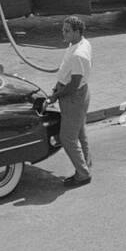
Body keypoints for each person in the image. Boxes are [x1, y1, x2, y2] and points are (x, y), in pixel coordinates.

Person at [48, 15, 92, 186]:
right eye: (63, 29)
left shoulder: (78, 55)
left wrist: (55, 96)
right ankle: (86, 165)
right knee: (80, 132)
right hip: (81, 94)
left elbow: (73, 85)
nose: (63, 33)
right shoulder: (81, 44)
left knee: (67, 138)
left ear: (77, 32)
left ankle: (82, 174)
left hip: (74, 97)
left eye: (67, 31)